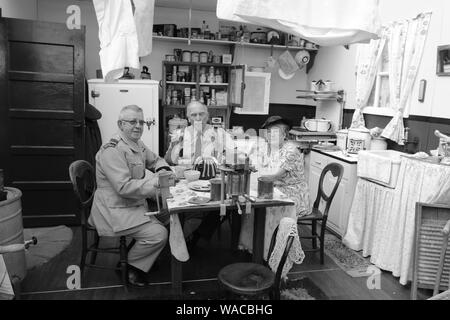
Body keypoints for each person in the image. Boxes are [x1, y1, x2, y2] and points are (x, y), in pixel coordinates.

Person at [89, 105, 174, 287]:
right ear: (120, 124)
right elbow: (124, 187)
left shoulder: (136, 143)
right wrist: (155, 184)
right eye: (132, 122)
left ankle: (141, 256)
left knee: (169, 215)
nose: (138, 126)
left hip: (131, 203)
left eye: (141, 122)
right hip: (114, 209)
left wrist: (163, 170)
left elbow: (156, 159)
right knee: (159, 234)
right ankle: (128, 268)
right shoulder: (112, 150)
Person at [239, 116, 312, 258]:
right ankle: (254, 247)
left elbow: (275, 176)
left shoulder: (291, 150)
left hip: (292, 193)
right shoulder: (268, 148)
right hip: (275, 187)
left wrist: (255, 173)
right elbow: (258, 165)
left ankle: (272, 251)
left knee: (264, 206)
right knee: (252, 204)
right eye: (269, 132)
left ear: (284, 135)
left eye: (276, 132)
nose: (271, 135)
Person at [164, 101, 233, 249]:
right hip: (187, 181)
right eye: (193, 114)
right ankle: (179, 238)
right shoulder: (180, 133)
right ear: (188, 117)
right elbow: (169, 160)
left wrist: (225, 157)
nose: (198, 117)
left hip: (212, 180)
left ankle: (197, 236)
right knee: (181, 209)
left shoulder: (220, 133)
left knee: (227, 204)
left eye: (201, 114)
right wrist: (174, 146)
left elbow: (233, 155)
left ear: (207, 115)